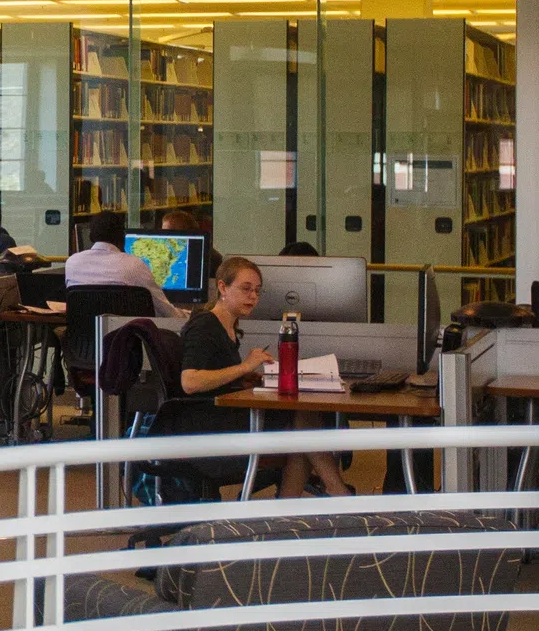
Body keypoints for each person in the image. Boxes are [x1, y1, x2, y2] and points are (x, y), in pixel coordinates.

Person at [178, 257, 344, 495]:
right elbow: (190, 382)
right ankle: (339, 495)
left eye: (257, 291)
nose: (253, 296)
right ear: (223, 288)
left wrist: (242, 379)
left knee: (303, 424)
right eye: (246, 289)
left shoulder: (228, 328)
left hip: (225, 414)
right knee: (304, 422)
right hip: (209, 422)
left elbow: (216, 374)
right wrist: (244, 368)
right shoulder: (205, 325)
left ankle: (290, 509)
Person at [62, 209, 183, 322]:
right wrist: (188, 317)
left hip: (83, 341)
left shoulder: (72, 263)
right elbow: (165, 311)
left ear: (91, 235)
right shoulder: (134, 265)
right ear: (122, 236)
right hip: (126, 341)